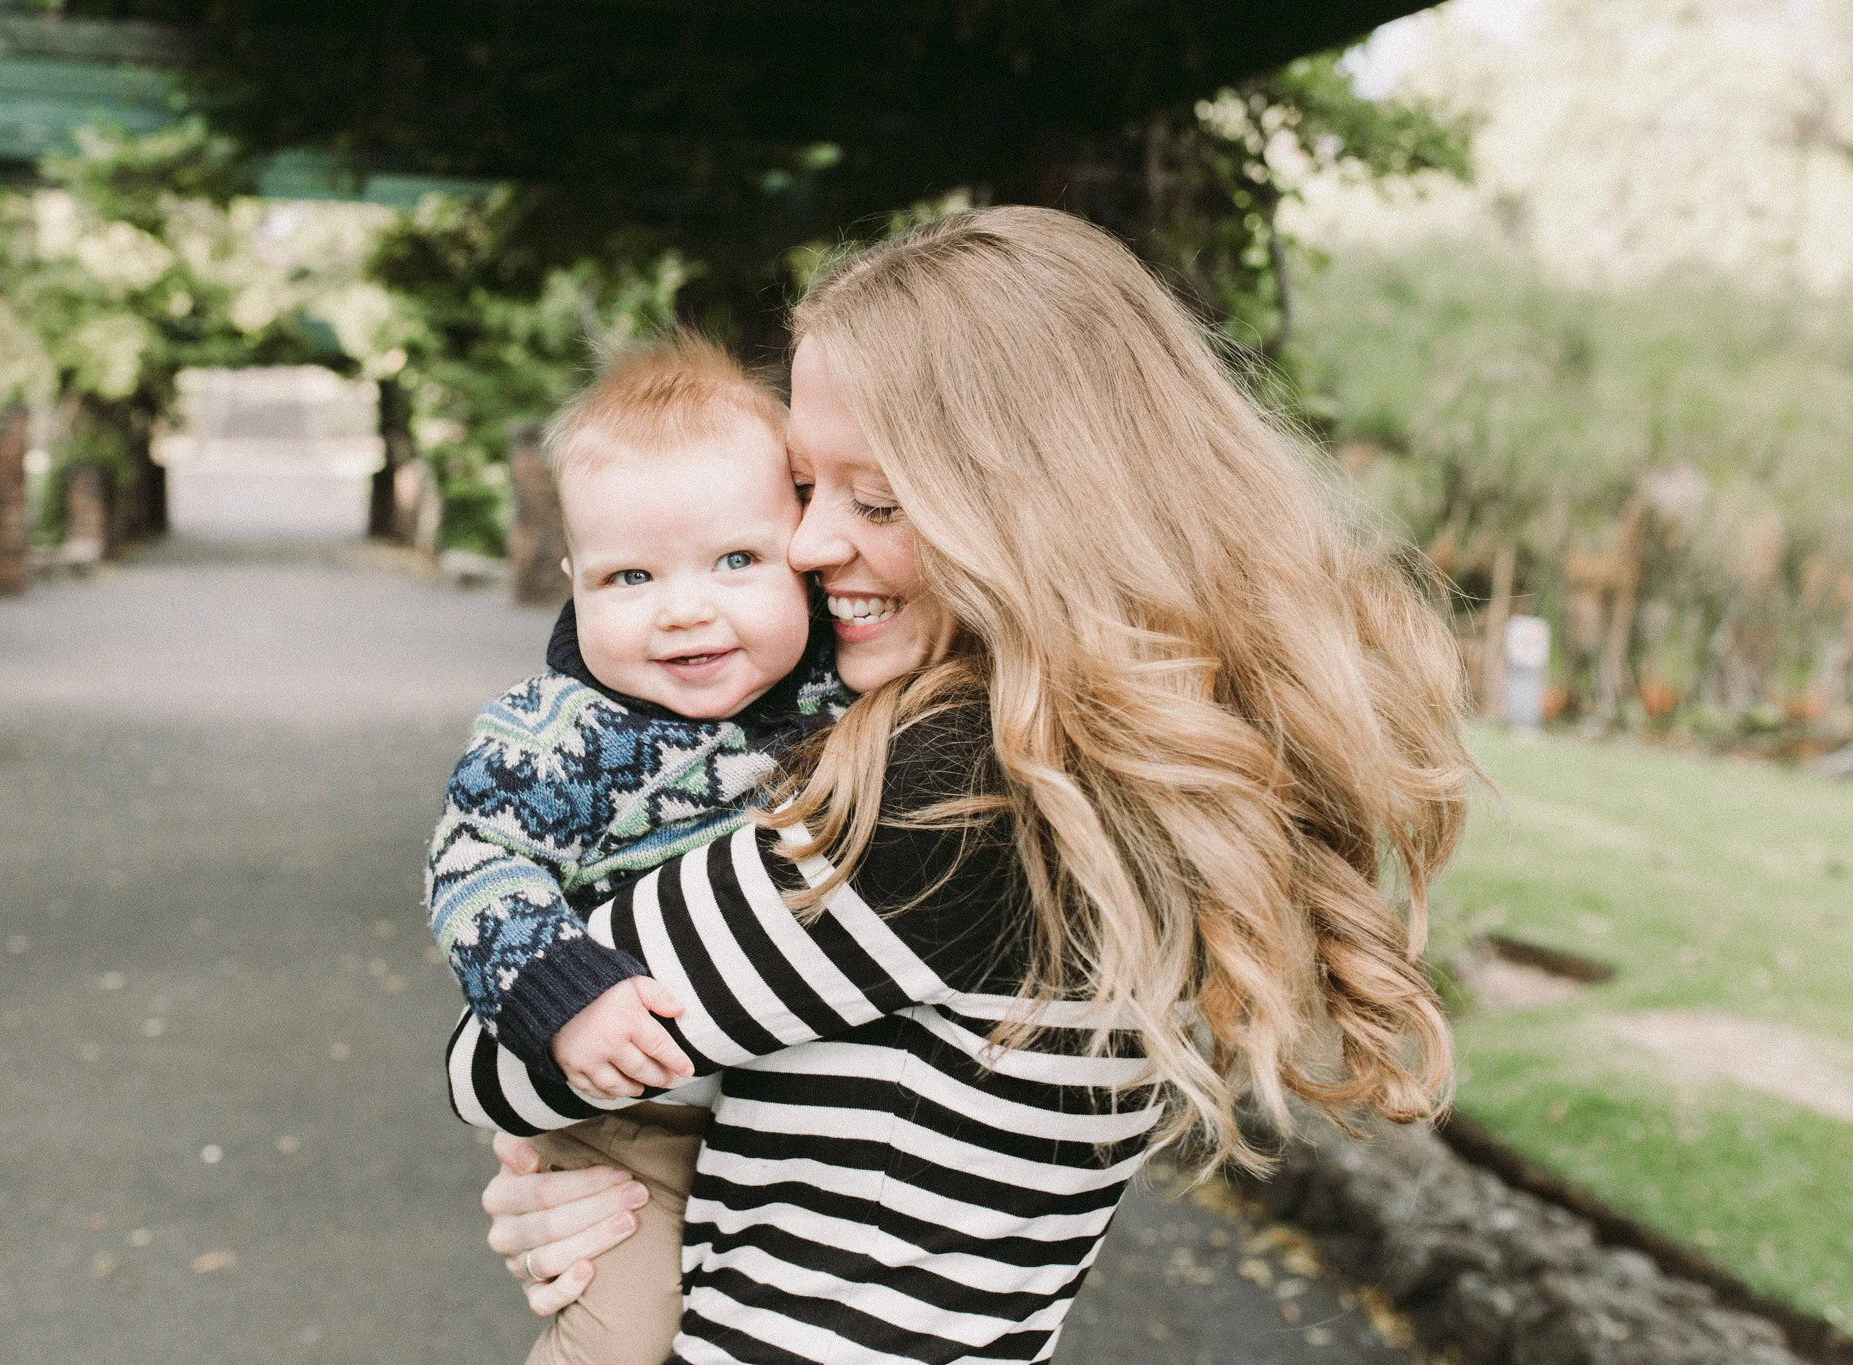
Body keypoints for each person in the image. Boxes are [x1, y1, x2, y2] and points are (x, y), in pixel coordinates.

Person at [455, 205, 1475, 1365]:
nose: (804, 545)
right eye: (803, 490)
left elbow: (496, 1062)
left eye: (875, 502)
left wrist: (583, 1158)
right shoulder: (1112, 764)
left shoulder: (953, 797)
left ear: (1027, 506)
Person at [427, 332, 848, 1365]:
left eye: (736, 560)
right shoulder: (555, 731)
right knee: (620, 1340)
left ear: (800, 550)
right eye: (629, 576)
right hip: (634, 1125)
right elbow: (476, 862)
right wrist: (560, 988)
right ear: (572, 580)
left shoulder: (855, 706)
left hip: (793, 1115)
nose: (685, 609)